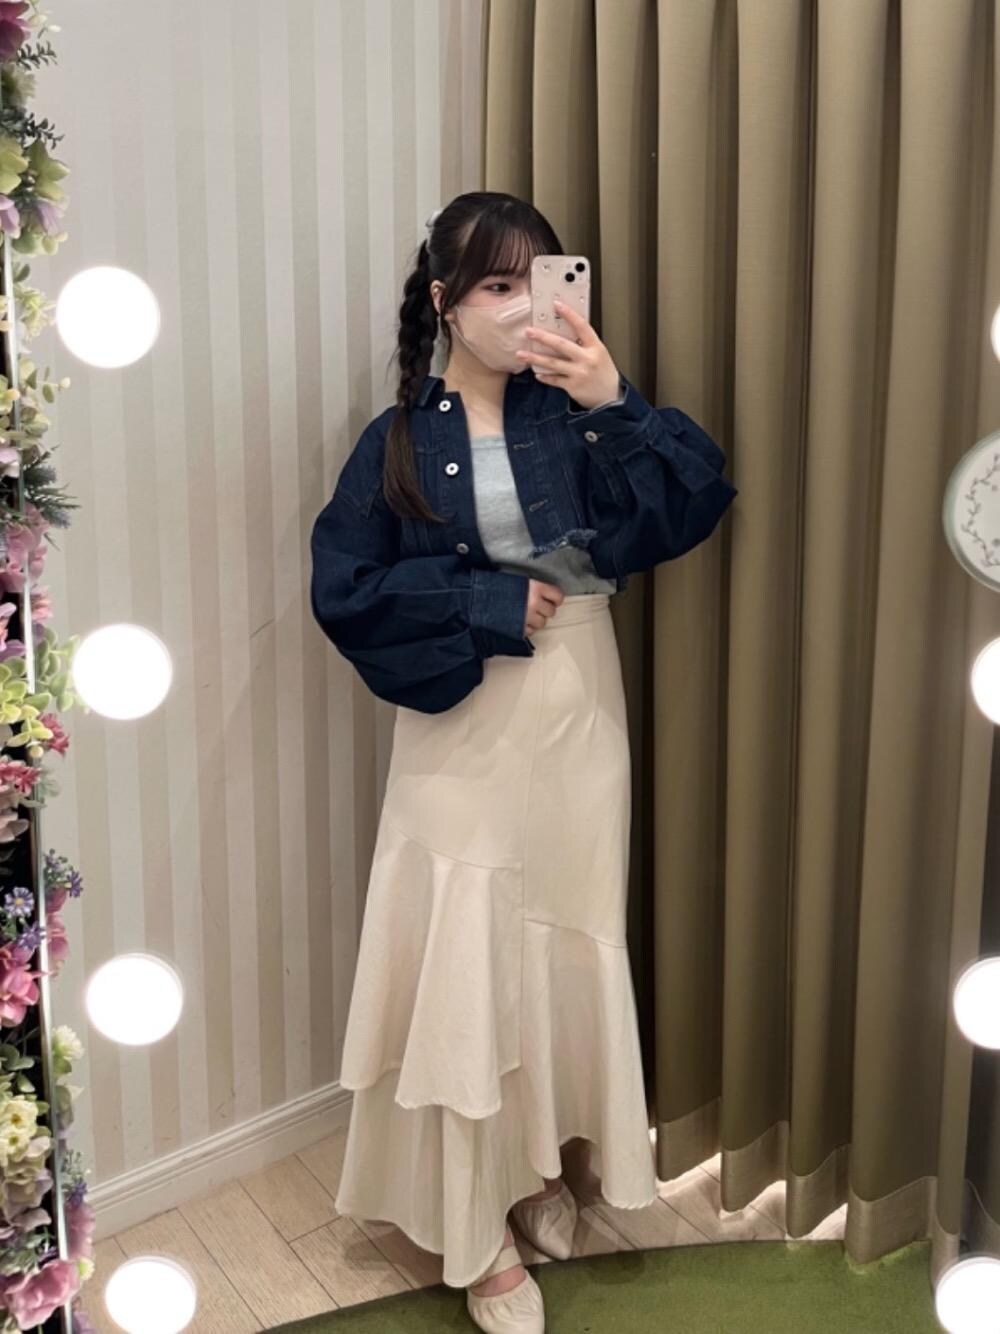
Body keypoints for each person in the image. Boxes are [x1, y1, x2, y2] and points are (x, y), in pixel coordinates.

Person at [309, 190, 737, 1333]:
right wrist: (486, 599)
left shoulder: (574, 420)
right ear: (445, 301)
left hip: (579, 705)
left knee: (561, 931)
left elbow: (694, 504)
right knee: (467, 949)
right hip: (460, 719)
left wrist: (615, 398)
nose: (517, 306)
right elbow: (344, 592)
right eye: (495, 285)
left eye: (535, 280)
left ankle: (533, 1161)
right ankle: (474, 1227)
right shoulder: (397, 440)